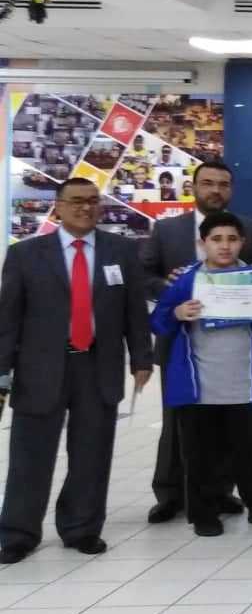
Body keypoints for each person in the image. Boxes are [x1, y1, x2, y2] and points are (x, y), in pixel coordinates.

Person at [0, 179, 152, 564]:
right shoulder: (25, 254)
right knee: (30, 456)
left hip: (98, 366)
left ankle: (81, 528)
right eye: (76, 201)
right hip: (39, 368)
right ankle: (18, 533)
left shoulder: (121, 251)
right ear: (59, 207)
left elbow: (135, 310)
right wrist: (2, 370)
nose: (85, 207)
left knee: (92, 453)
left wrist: (141, 358)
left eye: (92, 200)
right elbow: (8, 318)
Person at [142, 159, 252, 525]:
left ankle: (221, 492)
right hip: (183, 349)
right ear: (195, 186)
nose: (216, 190)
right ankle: (171, 495)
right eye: (208, 183)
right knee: (179, 427)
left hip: (235, 349)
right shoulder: (167, 229)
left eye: (223, 184)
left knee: (231, 426)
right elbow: (144, 274)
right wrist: (169, 290)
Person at [149, 212, 252, 537]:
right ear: (203, 243)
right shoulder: (186, 279)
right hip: (199, 384)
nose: (225, 246)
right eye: (216, 239)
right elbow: (158, 322)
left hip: (245, 381)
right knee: (200, 454)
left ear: (242, 242)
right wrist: (177, 312)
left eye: (232, 239)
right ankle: (204, 513)